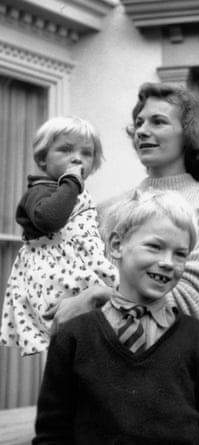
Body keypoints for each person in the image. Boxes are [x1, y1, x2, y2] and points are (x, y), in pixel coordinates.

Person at [33, 190, 199, 445]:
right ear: (117, 246)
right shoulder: (73, 335)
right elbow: (51, 433)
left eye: (180, 254)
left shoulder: (197, 338)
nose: (168, 262)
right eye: (155, 246)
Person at [46, 82, 199, 330]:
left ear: (188, 133)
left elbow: (192, 303)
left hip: (171, 361)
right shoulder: (107, 211)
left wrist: (98, 296)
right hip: (97, 358)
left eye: (158, 122)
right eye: (139, 123)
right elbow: (74, 292)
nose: (142, 131)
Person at [0, 116, 118, 356]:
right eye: (65, 149)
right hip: (54, 276)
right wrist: (72, 181)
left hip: (80, 274)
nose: (77, 157)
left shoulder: (71, 193)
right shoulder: (40, 190)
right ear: (43, 158)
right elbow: (51, 219)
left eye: (86, 153)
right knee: (72, 340)